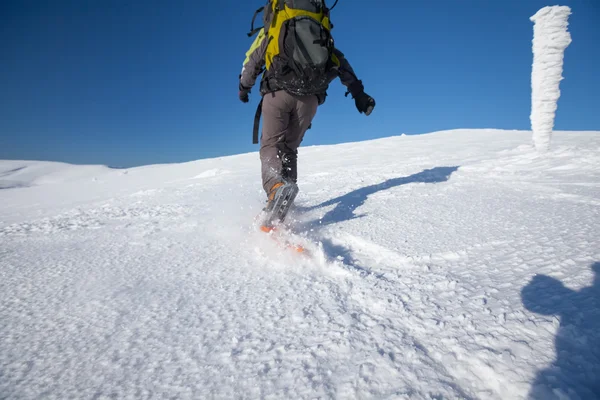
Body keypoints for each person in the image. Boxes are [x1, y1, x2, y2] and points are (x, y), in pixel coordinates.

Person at [238, 1, 375, 228]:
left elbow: (253, 61)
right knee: (289, 149)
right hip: (309, 100)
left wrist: (244, 88)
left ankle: (275, 190)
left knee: (271, 145)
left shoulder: (272, 30)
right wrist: (359, 94)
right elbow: (342, 64)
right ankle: (284, 200)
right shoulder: (319, 33)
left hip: (278, 92)